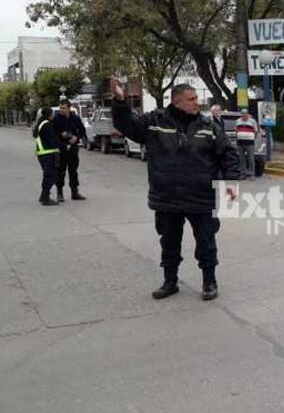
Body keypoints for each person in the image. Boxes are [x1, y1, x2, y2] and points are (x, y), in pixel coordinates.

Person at [110, 79, 240, 301]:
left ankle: (209, 282)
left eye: (196, 98)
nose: (197, 103)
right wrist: (120, 101)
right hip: (167, 197)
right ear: (177, 102)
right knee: (169, 242)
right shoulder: (154, 122)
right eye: (192, 99)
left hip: (201, 197)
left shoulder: (208, 126)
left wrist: (230, 187)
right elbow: (127, 125)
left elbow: (228, 154)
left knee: (207, 242)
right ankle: (170, 282)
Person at [53, 99, 87, 202]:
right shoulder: (57, 119)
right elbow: (53, 133)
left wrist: (76, 137)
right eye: (60, 108)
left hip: (73, 148)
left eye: (63, 108)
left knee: (73, 170)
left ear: (69, 108)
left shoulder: (75, 118)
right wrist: (61, 135)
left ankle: (74, 192)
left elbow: (82, 130)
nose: (61, 110)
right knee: (60, 171)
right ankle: (59, 193)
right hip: (61, 148)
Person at [33, 107, 60, 206]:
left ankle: (43, 196)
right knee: (50, 176)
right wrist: (61, 144)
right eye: (52, 113)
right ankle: (45, 198)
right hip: (48, 153)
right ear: (49, 114)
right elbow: (52, 140)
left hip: (42, 153)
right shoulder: (47, 125)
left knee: (47, 176)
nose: (53, 115)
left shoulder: (40, 124)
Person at [235, 109, 257, 179]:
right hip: (240, 142)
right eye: (242, 114)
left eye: (245, 114)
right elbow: (236, 130)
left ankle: (252, 174)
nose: (244, 115)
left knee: (250, 159)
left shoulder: (252, 121)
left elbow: (256, 131)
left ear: (247, 114)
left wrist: (252, 138)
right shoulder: (237, 121)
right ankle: (243, 174)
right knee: (241, 159)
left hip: (249, 142)